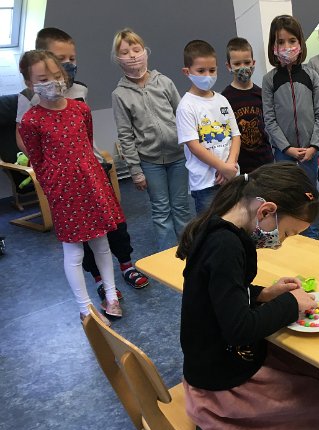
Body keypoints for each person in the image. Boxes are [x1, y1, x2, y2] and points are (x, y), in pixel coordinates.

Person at [177, 162, 319, 430]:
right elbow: (239, 328)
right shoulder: (226, 246)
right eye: (287, 232)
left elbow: (224, 293)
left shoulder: (220, 228)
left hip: (218, 361)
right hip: (220, 382)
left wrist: (264, 294)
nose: (280, 243)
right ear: (266, 211)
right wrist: (291, 304)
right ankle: (217, 421)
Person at [15, 27, 148, 303]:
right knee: (82, 243)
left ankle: (125, 266)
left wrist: (90, 164)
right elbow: (33, 149)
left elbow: (86, 137)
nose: (66, 65)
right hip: (65, 184)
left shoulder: (80, 95)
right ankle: (98, 281)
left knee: (114, 229)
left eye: (71, 59)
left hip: (92, 173)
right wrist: (55, 176)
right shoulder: (30, 108)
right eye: (60, 58)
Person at [18, 50, 125, 324]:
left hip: (92, 184)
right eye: (43, 79)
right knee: (74, 251)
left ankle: (111, 296)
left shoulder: (80, 109)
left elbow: (87, 144)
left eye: (56, 76)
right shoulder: (31, 120)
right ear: (30, 83)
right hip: (64, 192)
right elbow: (38, 161)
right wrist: (54, 191)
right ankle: (85, 307)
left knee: (101, 243)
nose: (52, 82)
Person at [112, 28, 193, 250]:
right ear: (118, 59)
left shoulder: (164, 82)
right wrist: (135, 171)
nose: (132, 56)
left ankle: (189, 251)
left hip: (178, 157)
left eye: (136, 49)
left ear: (145, 52)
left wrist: (192, 150)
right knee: (161, 209)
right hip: (150, 161)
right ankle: (168, 255)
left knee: (181, 206)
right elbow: (125, 135)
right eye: (125, 52)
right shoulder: (120, 94)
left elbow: (182, 115)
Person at [262, 14, 319, 239]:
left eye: (292, 41)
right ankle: (289, 236)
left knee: (310, 193)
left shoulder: (311, 75)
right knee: (286, 194)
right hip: (284, 151)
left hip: (309, 150)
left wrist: (314, 146)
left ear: (300, 43)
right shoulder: (269, 80)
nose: (287, 47)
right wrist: (286, 148)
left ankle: (313, 235)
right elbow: (269, 120)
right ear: (273, 46)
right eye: (280, 42)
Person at [176, 39, 241, 214]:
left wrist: (230, 164)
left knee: (237, 220)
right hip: (206, 183)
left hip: (231, 176)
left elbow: (235, 135)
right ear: (187, 72)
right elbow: (194, 145)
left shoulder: (222, 100)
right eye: (201, 71)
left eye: (212, 70)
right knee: (211, 224)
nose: (207, 75)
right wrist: (221, 167)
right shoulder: (186, 106)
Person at [221, 37, 273, 174]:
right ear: (229, 66)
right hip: (240, 165)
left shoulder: (261, 94)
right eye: (237, 64)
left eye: (247, 62)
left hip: (264, 161)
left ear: (253, 63)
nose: (243, 67)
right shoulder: (224, 99)